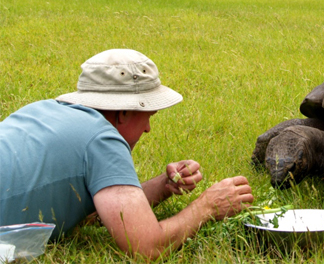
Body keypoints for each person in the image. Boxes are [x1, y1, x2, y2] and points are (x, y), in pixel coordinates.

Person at [0, 49, 254, 260]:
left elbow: (96, 214)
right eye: (148, 117)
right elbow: (145, 247)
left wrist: (164, 186)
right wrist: (208, 206)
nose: (148, 129)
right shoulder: (101, 136)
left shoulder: (41, 111)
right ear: (123, 113)